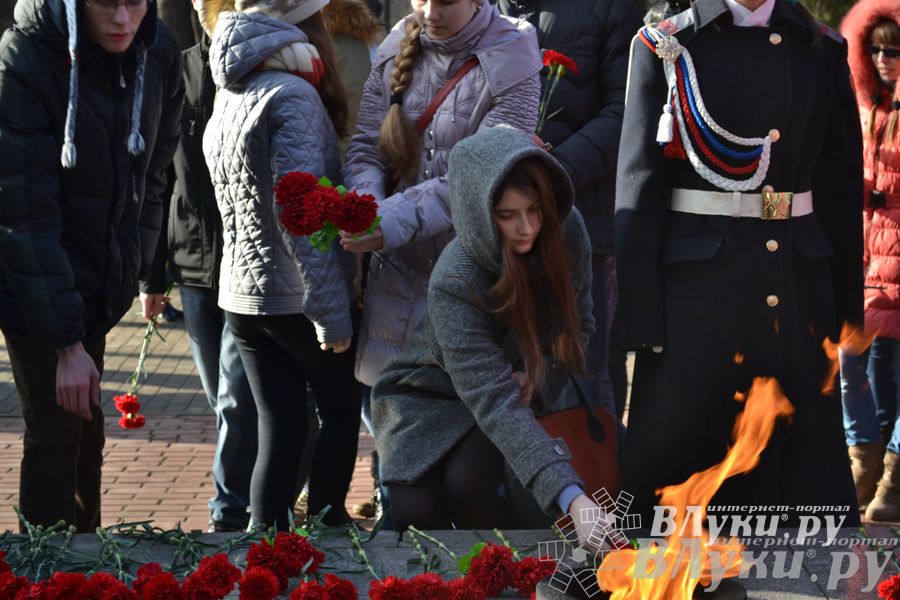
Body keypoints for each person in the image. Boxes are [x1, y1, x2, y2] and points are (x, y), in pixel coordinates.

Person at [616, 0, 863, 525]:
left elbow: (840, 188)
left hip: (796, 283)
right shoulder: (667, 46)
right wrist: (641, 313)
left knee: (799, 493)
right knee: (682, 489)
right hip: (698, 293)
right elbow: (639, 189)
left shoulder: (821, 49)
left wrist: (847, 308)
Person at [341, 0, 542, 524]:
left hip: (473, 283)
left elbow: (481, 175)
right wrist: (367, 210)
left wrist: (389, 220)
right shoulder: (395, 47)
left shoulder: (513, 53)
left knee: (467, 483)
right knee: (402, 480)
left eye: (446, 0)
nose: (430, 11)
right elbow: (365, 149)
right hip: (396, 281)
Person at [0, 0, 182, 530]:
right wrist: (66, 344)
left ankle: (88, 556)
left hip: (101, 276)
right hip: (31, 279)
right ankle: (47, 564)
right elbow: (24, 213)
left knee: (85, 426)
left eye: (134, 2)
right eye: (106, 3)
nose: (123, 20)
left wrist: (140, 269)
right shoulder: (28, 56)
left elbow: (155, 173)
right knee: (57, 431)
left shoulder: (158, 50)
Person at [372, 126, 603, 537]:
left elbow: (579, 326)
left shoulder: (567, 232)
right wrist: (574, 500)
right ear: (478, 212)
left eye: (534, 209)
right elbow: (491, 397)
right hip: (429, 394)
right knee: (414, 512)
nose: (526, 227)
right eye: (507, 215)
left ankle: (519, 563)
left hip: (510, 388)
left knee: (469, 486)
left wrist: (538, 376)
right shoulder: (456, 280)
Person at [201, 0, 361, 530]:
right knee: (338, 412)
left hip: (242, 294)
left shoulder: (233, 87)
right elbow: (300, 216)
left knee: (280, 424)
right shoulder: (292, 94)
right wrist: (332, 314)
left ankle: (266, 546)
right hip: (294, 296)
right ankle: (328, 533)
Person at [141, 0, 259, 532]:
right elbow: (156, 176)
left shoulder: (263, 67)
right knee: (222, 399)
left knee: (235, 398)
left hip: (247, 265)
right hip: (191, 265)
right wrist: (152, 276)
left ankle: (230, 514)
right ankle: (257, 494)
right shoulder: (178, 68)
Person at [494, 0, 641, 418]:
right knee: (504, 377)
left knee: (580, 381)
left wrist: (549, 177)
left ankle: (597, 464)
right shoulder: (483, 9)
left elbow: (626, 112)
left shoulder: (610, 9)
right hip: (496, 229)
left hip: (580, 225)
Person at [839, 0, 900, 521]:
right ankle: (865, 464)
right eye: (877, 49)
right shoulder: (866, 107)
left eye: (895, 50)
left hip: (893, 258)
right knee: (851, 362)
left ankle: (892, 482)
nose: (884, 59)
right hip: (867, 261)